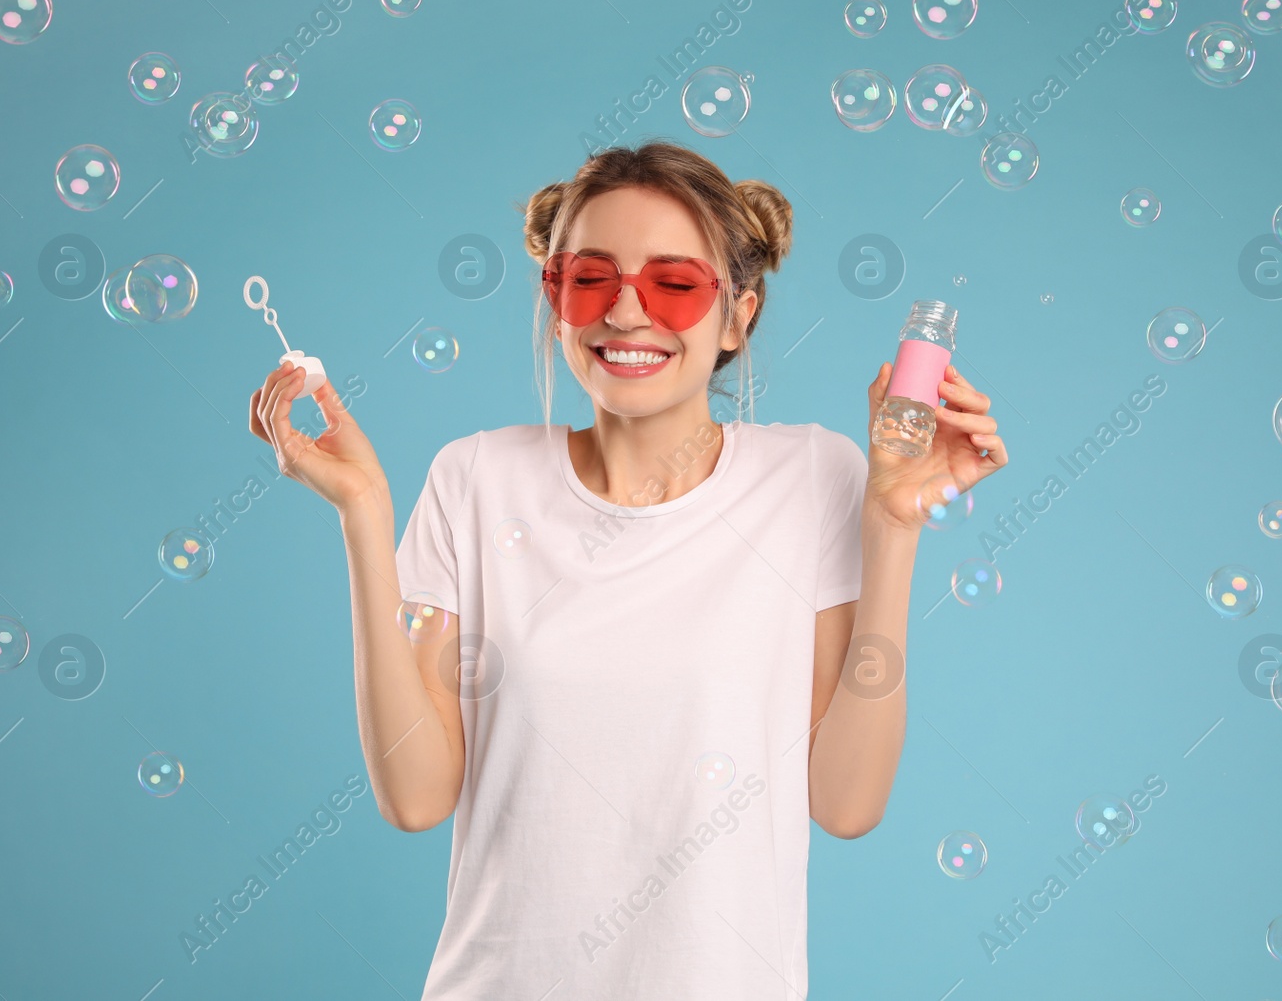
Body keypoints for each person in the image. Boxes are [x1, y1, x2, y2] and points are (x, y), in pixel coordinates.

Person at [248, 140, 1008, 998]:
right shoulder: (475, 478)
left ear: (737, 315)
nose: (626, 313)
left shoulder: (813, 476)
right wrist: (364, 513)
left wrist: (893, 523)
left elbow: (847, 802)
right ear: (555, 297)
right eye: (592, 279)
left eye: (675, 285)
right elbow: (415, 797)